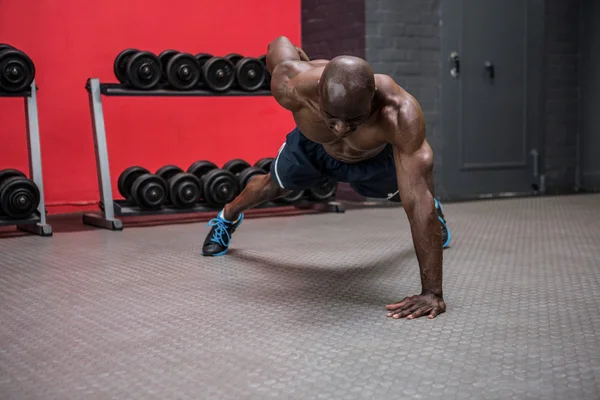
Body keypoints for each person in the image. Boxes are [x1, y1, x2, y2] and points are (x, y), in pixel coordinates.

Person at [201, 36, 451, 320]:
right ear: (320, 91)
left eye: (354, 122)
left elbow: (417, 203)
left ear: (372, 101)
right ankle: (227, 217)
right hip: (312, 148)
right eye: (331, 119)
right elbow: (279, 43)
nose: (342, 129)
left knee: (416, 199)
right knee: (271, 187)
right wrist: (300, 58)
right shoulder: (292, 82)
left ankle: (436, 214)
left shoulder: (399, 113)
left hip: (371, 160)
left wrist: (433, 293)